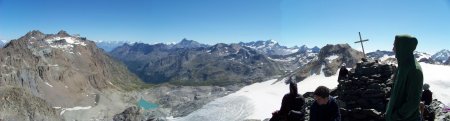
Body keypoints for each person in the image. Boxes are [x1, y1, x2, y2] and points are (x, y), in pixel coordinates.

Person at [385, 35, 424, 121]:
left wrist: (396, 116)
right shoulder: (403, 66)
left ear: (403, 47)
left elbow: (413, 102)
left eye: (395, 46)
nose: (393, 49)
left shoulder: (414, 70)